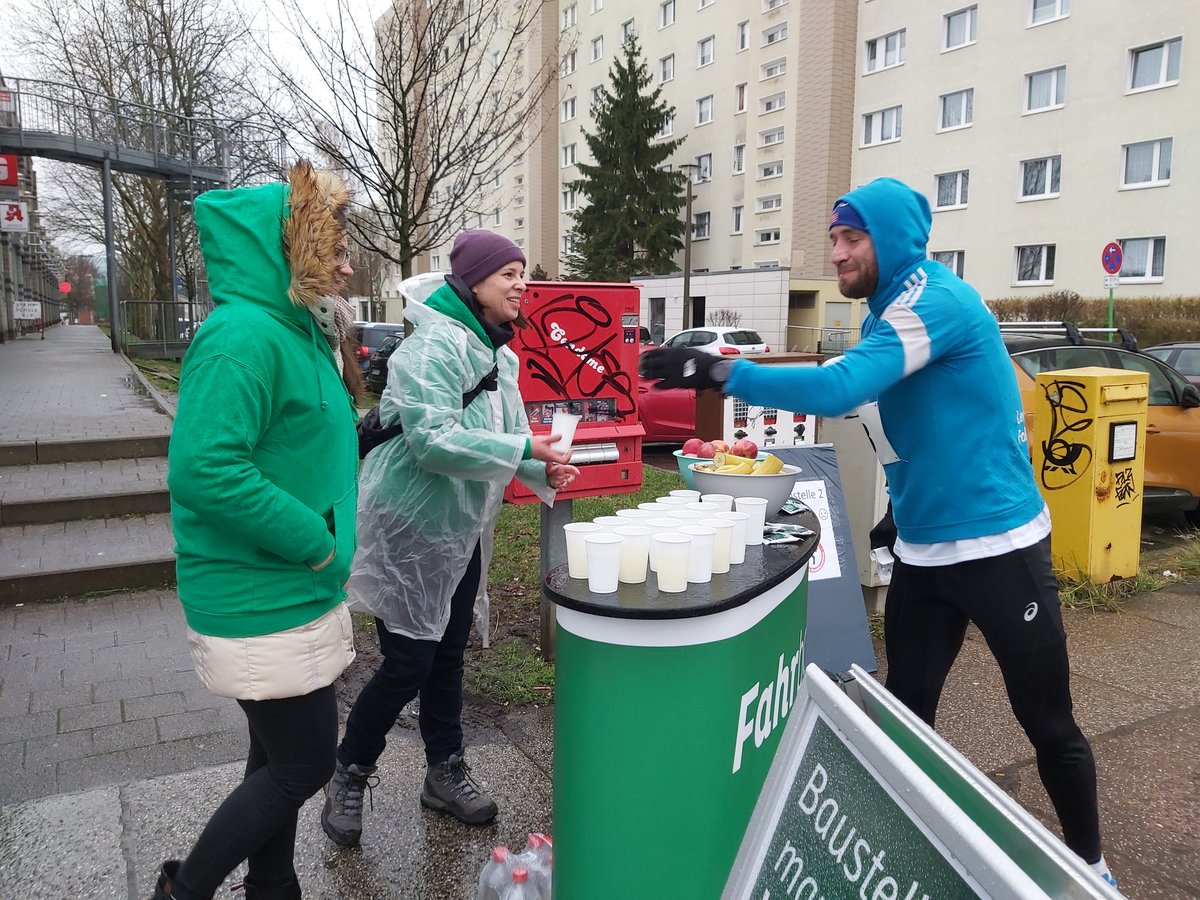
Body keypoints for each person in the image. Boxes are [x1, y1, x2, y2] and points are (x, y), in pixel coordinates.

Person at [640, 177, 1117, 888]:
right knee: (905, 715)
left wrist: (720, 371)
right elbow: (904, 422)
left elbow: (839, 388)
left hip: (998, 548)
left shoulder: (935, 301)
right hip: (923, 552)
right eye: (834, 238)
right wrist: (899, 504)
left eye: (852, 238)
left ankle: (1094, 869)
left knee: (1047, 722)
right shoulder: (884, 318)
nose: (837, 252)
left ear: (890, 242)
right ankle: (904, 854)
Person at [321, 230, 579, 847]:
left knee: (448, 653)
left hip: (460, 529)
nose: (521, 283)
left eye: (522, 272)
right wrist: (524, 448)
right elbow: (432, 441)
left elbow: (506, 433)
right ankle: (349, 769)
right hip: (408, 526)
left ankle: (444, 770)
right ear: (473, 282)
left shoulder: (499, 354)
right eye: (507, 274)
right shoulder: (431, 347)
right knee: (408, 663)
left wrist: (540, 467)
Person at [155, 160, 361, 900]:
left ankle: (273, 886)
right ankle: (184, 892)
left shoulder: (294, 330)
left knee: (275, 759)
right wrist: (316, 541)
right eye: (332, 250)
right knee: (305, 765)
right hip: (263, 590)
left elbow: (298, 444)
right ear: (289, 253)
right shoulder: (241, 336)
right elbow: (205, 470)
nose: (346, 266)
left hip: (292, 586)